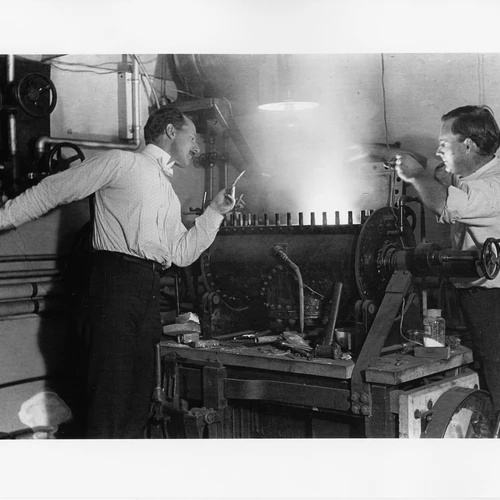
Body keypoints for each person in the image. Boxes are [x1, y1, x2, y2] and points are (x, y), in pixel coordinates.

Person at [0, 106, 236, 438]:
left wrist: (214, 212)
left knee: (138, 401)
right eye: (192, 136)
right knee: (109, 401)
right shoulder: (121, 163)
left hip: (147, 291)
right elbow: (53, 190)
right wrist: (3, 218)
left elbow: (180, 253)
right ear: (170, 131)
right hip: (114, 285)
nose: (196, 147)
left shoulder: (167, 192)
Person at [395, 105, 500, 414]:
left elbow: (445, 204)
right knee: (485, 366)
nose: (439, 149)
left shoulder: (492, 187)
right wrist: (376, 151)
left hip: (492, 298)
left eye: (445, 142)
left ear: (467, 145)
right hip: (475, 292)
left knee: (496, 374)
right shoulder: (469, 171)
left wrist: (415, 175)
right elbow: (436, 167)